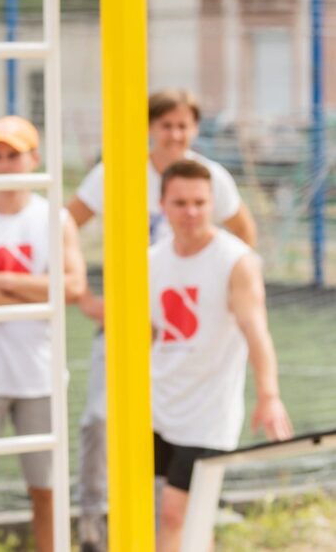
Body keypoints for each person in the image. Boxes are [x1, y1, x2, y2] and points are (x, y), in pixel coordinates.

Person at [66, 88, 258, 550]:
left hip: (184, 326)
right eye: (165, 125)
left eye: (183, 125)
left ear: (195, 129)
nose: (175, 134)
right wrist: (86, 296)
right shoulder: (117, 173)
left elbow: (243, 235)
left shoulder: (208, 176)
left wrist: (237, 286)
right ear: (149, 129)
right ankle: (94, 520)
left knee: (190, 444)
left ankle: (187, 522)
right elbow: (66, 221)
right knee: (100, 418)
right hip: (132, 321)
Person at [0, 116, 87, 552]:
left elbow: (74, 286)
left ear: (35, 158)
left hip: (40, 375)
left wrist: (1, 280)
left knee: (46, 491)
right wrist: (40, 290)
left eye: (15, 155)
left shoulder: (55, 218)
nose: (6, 164)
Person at [149, 159, 291, 552]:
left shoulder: (235, 260)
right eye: (180, 203)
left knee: (176, 515)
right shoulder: (152, 261)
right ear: (162, 204)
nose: (191, 212)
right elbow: (148, 333)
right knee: (189, 519)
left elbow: (255, 329)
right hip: (160, 406)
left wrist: (269, 392)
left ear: (213, 203)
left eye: (199, 202)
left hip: (209, 414)